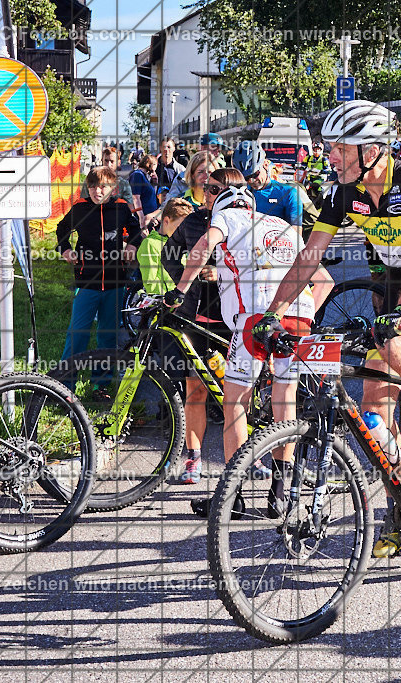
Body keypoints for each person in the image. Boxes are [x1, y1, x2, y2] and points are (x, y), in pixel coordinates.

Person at [250, 100, 401, 558]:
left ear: (370, 149)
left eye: (337, 148)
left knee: (394, 347)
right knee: (378, 412)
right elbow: (309, 256)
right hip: (396, 286)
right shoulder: (342, 193)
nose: (328, 156)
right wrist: (272, 312)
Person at [165, 171, 330, 517]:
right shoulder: (281, 225)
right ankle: (280, 496)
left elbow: (201, 248)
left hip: (255, 317)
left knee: (235, 401)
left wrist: (179, 292)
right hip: (296, 314)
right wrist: (305, 313)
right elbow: (324, 280)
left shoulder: (225, 216)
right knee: (285, 399)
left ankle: (232, 497)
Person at [160, 165, 232, 484]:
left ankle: (243, 459)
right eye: (206, 186)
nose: (207, 191)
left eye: (215, 188)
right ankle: (194, 458)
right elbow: (168, 256)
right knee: (195, 390)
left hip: (230, 319)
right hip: (195, 317)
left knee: (235, 392)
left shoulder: (240, 222)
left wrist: (223, 275)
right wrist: (184, 285)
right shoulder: (192, 221)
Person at [57, 166, 141, 374]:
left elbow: (136, 229)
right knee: (77, 334)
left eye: (103, 187)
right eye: (93, 186)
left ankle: (101, 384)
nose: (98, 191)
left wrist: (132, 245)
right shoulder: (80, 208)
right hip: (86, 282)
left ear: (113, 189)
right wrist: (65, 249)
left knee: (107, 336)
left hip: (115, 283)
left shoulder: (121, 208)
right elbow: (61, 229)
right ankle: (65, 383)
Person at [136, 198, 193, 295]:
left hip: (183, 301)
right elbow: (151, 284)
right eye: (179, 227)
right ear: (166, 220)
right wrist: (173, 299)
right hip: (164, 305)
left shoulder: (182, 244)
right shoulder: (150, 244)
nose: (183, 232)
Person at [83, 146, 142, 225]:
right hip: (93, 223)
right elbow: (83, 205)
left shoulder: (123, 184)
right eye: (106, 161)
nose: (108, 164)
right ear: (102, 161)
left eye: (112, 161)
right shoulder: (90, 181)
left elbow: (129, 209)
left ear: (118, 163)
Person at [128, 154, 160, 218]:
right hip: (144, 217)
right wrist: (141, 217)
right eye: (156, 164)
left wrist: (155, 183)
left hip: (150, 216)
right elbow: (136, 198)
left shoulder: (145, 177)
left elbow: (150, 196)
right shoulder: (137, 175)